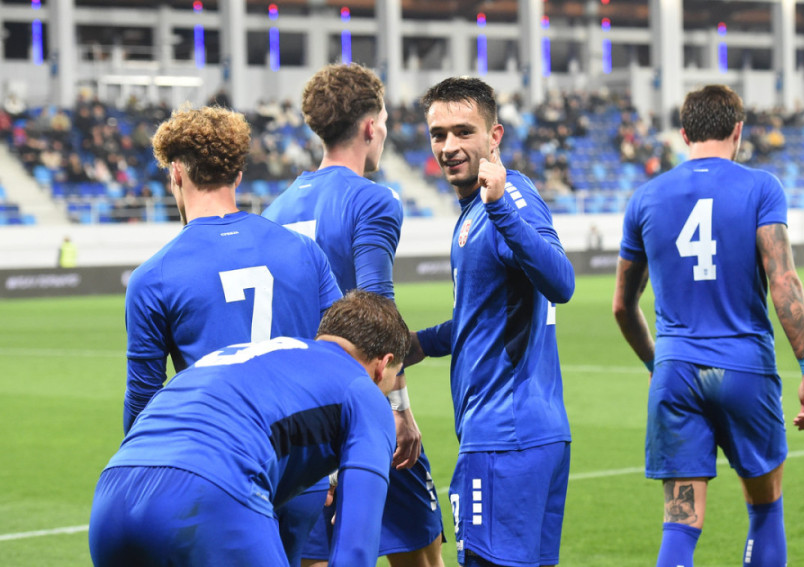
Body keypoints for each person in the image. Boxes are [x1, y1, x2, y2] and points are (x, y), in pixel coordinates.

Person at [611, 84, 804, 567]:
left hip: (676, 374)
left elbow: (623, 307)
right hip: (745, 369)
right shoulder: (761, 188)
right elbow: (783, 280)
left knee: (680, 523)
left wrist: (657, 363)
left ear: (684, 133)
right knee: (765, 510)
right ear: (738, 131)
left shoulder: (644, 199)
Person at [124, 105, 342, 551]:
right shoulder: (303, 251)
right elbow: (344, 355)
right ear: (238, 175)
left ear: (176, 173)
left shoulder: (154, 275)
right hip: (302, 465)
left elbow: (143, 401)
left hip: (222, 472)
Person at [262, 63, 443, 566]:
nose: (384, 130)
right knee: (422, 559)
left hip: (298, 421)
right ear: (369, 126)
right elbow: (378, 309)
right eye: (383, 120)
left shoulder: (275, 211)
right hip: (359, 404)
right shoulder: (371, 200)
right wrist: (399, 411)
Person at [90, 291, 409, 566]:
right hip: (208, 497)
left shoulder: (260, 355)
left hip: (112, 498)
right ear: (383, 365)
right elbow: (355, 548)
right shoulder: (363, 389)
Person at [404, 77, 575, 567]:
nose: (449, 146)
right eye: (439, 134)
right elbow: (481, 317)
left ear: (494, 135)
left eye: (464, 131)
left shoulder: (507, 196)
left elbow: (561, 281)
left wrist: (500, 208)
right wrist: (416, 344)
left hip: (504, 435)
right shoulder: (474, 210)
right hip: (528, 432)